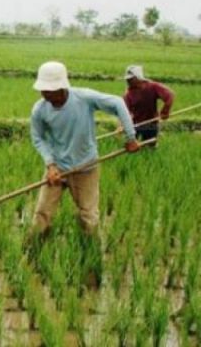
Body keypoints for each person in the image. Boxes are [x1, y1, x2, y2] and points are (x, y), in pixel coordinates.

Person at [28, 61, 140, 288]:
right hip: (57, 170)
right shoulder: (40, 109)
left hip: (86, 169)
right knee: (42, 215)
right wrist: (50, 165)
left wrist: (130, 137)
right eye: (43, 89)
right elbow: (38, 138)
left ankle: (91, 264)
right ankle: (30, 258)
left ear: (61, 87)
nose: (44, 93)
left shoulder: (84, 98)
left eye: (49, 90)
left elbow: (118, 103)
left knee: (88, 218)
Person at [123, 65, 174, 146]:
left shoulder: (153, 87)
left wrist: (165, 111)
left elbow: (169, 95)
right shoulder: (128, 94)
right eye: (127, 79)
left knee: (150, 148)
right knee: (131, 148)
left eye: (130, 79)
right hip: (135, 125)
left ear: (138, 77)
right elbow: (124, 112)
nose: (128, 81)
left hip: (151, 124)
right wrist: (122, 125)